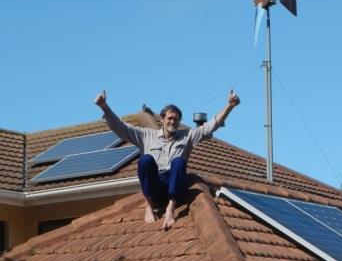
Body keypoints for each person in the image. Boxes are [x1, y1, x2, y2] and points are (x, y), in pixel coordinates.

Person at [94, 89, 240, 230]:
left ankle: (170, 208)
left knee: (178, 161)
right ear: (162, 119)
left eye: (176, 119)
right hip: (155, 187)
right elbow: (122, 128)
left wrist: (230, 106)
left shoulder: (187, 136)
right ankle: (149, 206)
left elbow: (210, 126)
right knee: (145, 160)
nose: (173, 122)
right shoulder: (146, 136)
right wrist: (104, 106)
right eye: (170, 118)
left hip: (175, 186)